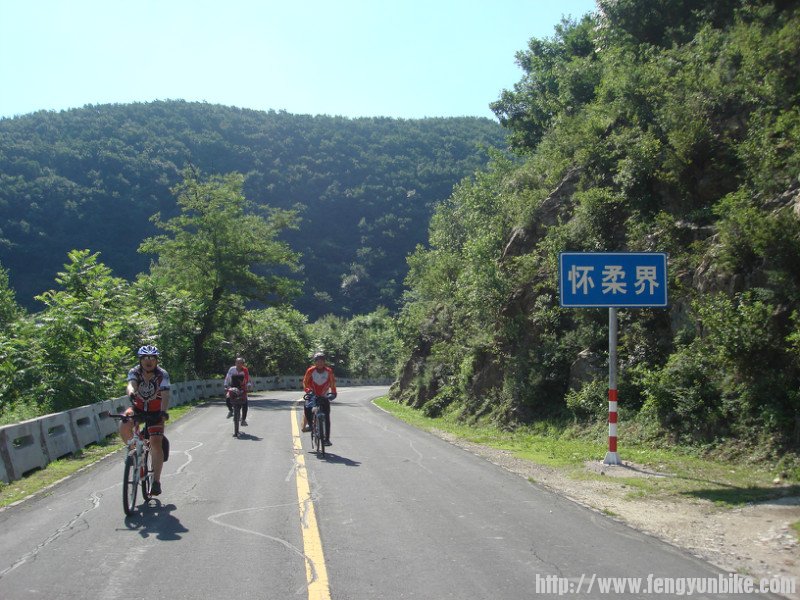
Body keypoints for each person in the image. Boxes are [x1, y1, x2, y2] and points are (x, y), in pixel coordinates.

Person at [120, 345, 170, 496]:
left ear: (156, 360)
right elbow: (131, 384)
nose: (149, 362)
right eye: (145, 359)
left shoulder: (162, 374)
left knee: (155, 442)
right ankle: (134, 450)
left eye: (152, 359)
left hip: (156, 411)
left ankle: (156, 481)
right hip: (139, 408)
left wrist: (163, 411)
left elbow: (166, 394)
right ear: (140, 360)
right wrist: (131, 393)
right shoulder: (134, 371)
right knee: (123, 423)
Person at [302, 351, 337, 445]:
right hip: (312, 394)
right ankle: (310, 425)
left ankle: (327, 439)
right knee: (307, 407)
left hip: (324, 395)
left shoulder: (329, 371)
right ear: (315, 362)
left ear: (324, 362)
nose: (320, 362)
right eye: (317, 361)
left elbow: (332, 383)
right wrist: (308, 390)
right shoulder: (310, 370)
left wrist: (333, 393)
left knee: (326, 416)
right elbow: (305, 382)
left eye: (322, 361)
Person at [224, 357, 251, 425]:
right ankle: (231, 411)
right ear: (235, 363)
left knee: (245, 403)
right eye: (237, 362)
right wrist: (226, 385)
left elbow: (248, 380)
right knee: (227, 398)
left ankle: (243, 420)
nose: (238, 364)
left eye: (240, 363)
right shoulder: (231, 369)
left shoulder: (245, 370)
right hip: (232, 387)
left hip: (242, 388)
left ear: (243, 364)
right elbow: (227, 378)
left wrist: (249, 386)